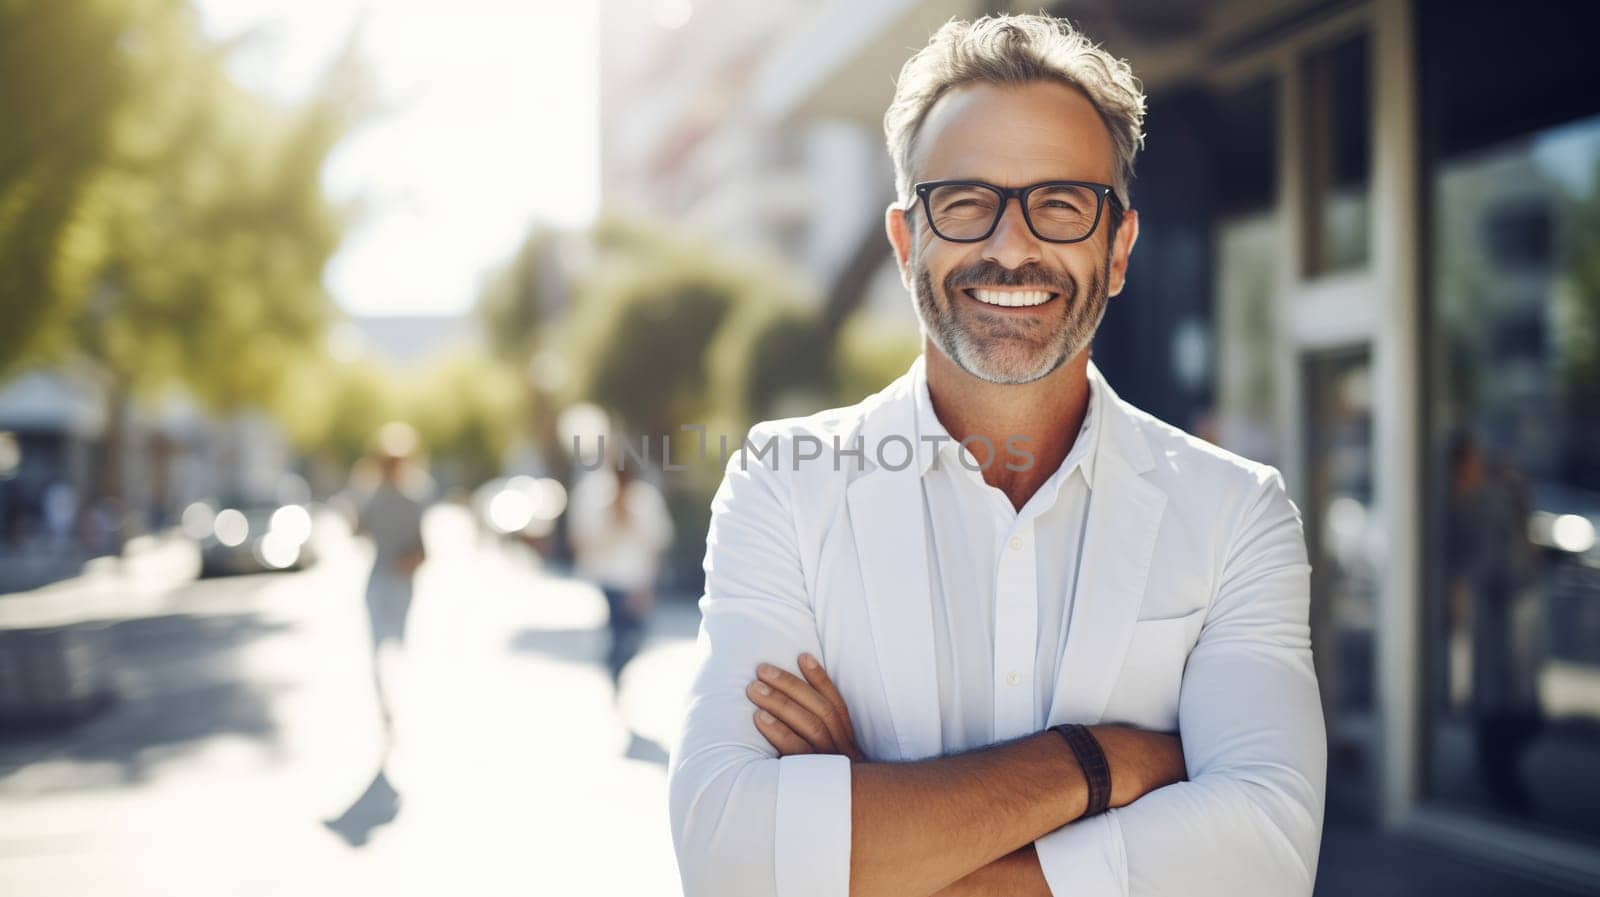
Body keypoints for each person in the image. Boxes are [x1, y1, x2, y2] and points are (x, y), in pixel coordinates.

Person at [668, 14, 1325, 897]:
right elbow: (731, 858)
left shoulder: (1238, 514)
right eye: (967, 201)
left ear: (1119, 247)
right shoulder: (783, 486)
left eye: (1059, 203)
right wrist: (1102, 762)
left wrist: (870, 844)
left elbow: (1267, 855)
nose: (1013, 245)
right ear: (907, 244)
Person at [569, 450, 675, 693]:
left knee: (636, 635)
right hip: (607, 580)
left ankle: (617, 671)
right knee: (617, 635)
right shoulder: (595, 498)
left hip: (636, 581)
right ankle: (614, 675)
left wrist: (649, 584)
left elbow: (656, 544)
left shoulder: (646, 501)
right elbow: (582, 541)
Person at [355, 424, 428, 746]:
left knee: (396, 648)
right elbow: (358, 531)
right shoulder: (371, 498)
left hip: (401, 584)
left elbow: (423, 551)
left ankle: (396, 704)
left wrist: (407, 561)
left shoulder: (413, 501)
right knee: (378, 650)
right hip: (378, 581)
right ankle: (385, 706)